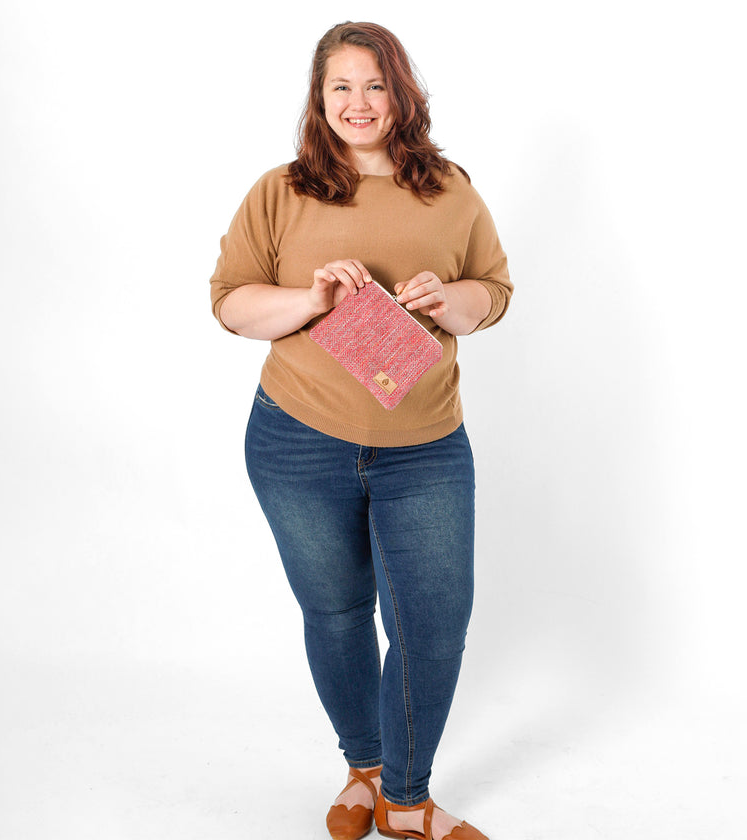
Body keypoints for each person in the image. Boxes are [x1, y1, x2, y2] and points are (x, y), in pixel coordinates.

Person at [209, 21, 512, 840]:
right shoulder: (281, 190)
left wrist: (452, 300)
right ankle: (366, 771)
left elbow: (493, 289)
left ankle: (408, 801)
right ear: (319, 97)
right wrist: (311, 301)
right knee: (338, 614)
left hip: (426, 446)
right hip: (297, 440)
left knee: (433, 627)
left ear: (401, 93)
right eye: (340, 86)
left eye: (375, 85)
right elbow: (231, 302)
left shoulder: (450, 189)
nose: (359, 103)